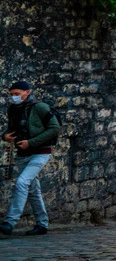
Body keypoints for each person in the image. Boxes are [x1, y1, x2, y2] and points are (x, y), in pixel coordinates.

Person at [2, 81, 59, 236]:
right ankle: (42, 224)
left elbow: (54, 128)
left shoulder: (40, 107)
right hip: (22, 155)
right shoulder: (13, 109)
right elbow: (13, 128)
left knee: (22, 182)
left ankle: (10, 222)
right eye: (11, 94)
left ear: (27, 92)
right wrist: (5, 135)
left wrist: (31, 143)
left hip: (40, 153)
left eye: (17, 94)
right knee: (33, 190)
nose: (14, 97)